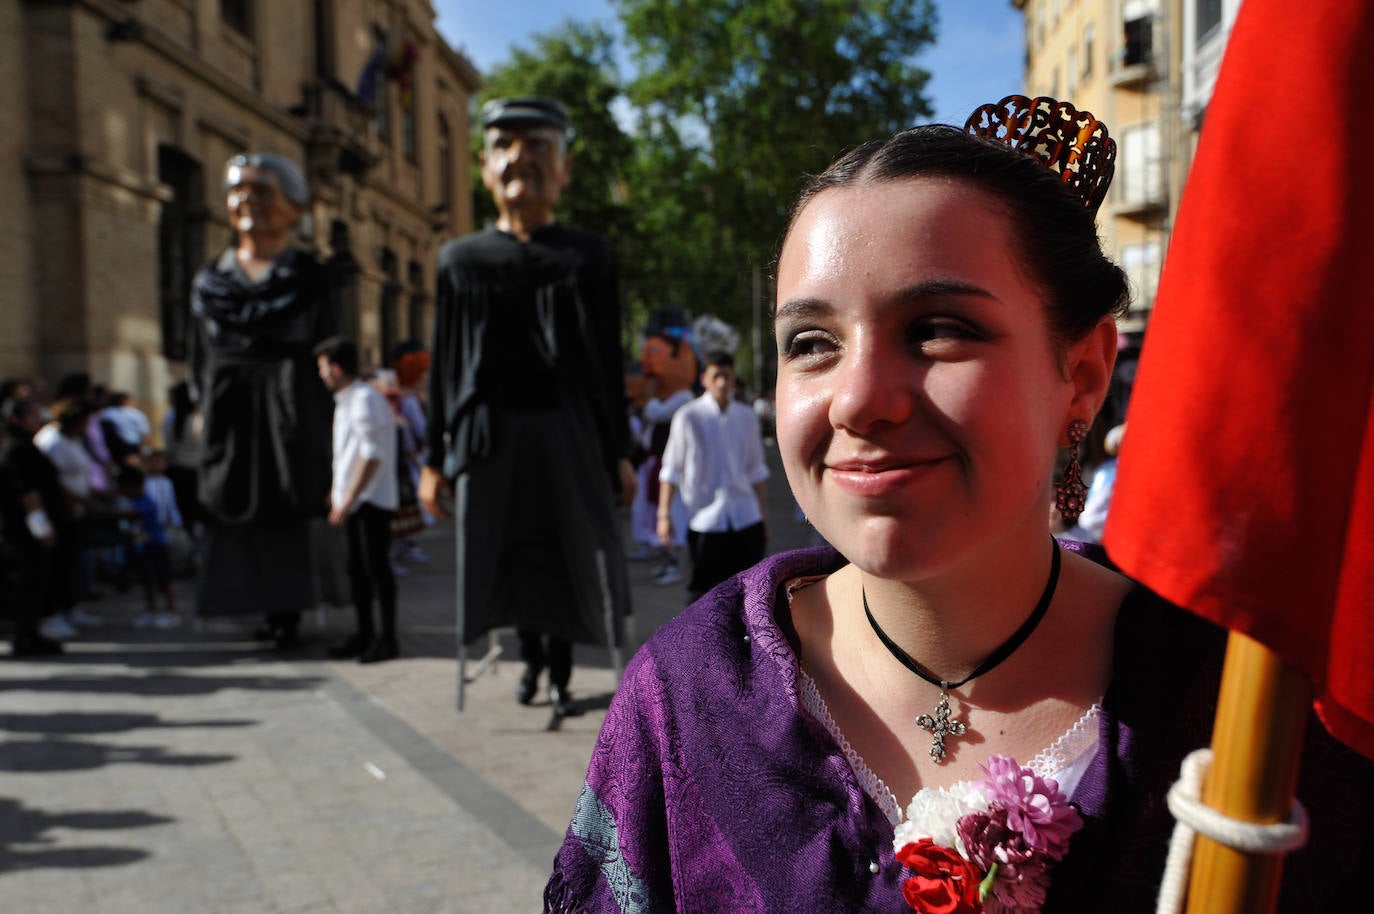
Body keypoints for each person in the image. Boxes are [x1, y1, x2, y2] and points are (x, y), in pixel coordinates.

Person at [544, 98, 1374, 911]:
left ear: (1082, 373)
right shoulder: (689, 698)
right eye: (812, 344)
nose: (859, 400)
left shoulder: (1242, 709)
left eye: (939, 328)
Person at [418, 96, 635, 716]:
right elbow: (443, 368)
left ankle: (563, 669)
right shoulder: (460, 262)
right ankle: (529, 661)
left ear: (564, 168)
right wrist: (433, 457)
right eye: (505, 147)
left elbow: (605, 365)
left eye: (539, 146)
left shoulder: (587, 257)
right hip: (489, 436)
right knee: (505, 553)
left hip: (569, 432)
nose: (521, 159)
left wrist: (618, 451)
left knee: (568, 551)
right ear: (484, 169)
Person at [187, 152, 339, 649]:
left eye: (263, 190)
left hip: (292, 407)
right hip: (231, 410)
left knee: (288, 506)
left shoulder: (313, 279)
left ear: (293, 208)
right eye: (238, 191)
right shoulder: (210, 282)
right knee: (233, 505)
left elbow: (334, 349)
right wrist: (199, 404)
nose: (248, 200)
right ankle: (245, 603)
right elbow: (198, 356)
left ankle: (290, 610)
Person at [656, 350, 770, 603]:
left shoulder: (746, 416)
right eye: (716, 375)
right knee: (703, 597)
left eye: (726, 376)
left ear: (733, 379)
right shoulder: (688, 416)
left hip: (745, 517)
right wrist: (664, 516)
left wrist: (762, 518)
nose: (721, 382)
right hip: (705, 519)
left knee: (750, 595)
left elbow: (756, 471)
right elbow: (671, 469)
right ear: (704, 379)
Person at [317, 339, 401, 663]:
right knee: (358, 572)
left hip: (369, 501)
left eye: (323, 367)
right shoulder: (348, 399)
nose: (321, 375)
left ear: (336, 368)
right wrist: (337, 491)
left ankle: (386, 637)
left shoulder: (364, 400)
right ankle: (365, 633)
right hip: (355, 500)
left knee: (376, 570)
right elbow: (350, 455)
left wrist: (348, 496)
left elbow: (371, 455)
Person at [0, 397, 67, 656]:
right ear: (15, 419)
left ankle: (31, 632)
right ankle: (25, 635)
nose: (37, 420)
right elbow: (27, 493)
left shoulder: (25, 447)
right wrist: (43, 528)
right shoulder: (18, 450)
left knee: (37, 583)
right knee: (30, 583)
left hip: (28, 529)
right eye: (32, 415)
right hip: (25, 532)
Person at [116, 464, 180, 629]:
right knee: (147, 581)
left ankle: (171, 612)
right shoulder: (133, 501)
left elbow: (129, 513)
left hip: (156, 547)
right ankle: (151, 611)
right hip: (142, 548)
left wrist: (99, 509)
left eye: (124, 489)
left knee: (163, 580)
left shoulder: (146, 501)